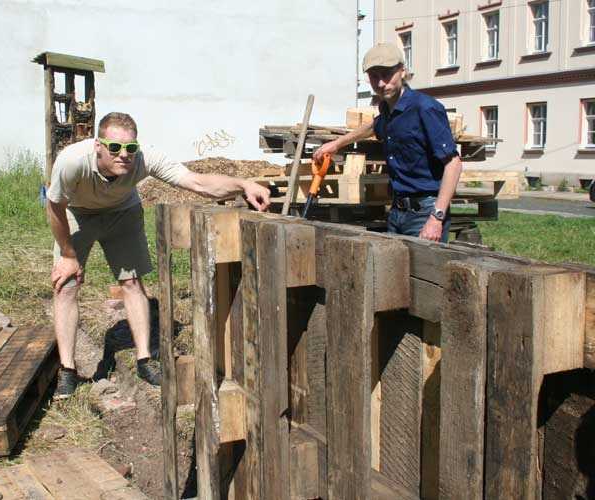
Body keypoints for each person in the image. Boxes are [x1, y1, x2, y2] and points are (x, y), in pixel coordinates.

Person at [46, 112, 270, 399]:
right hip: (76, 212)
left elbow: (198, 183)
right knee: (66, 284)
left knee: (132, 282)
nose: (123, 154)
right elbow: (54, 207)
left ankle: (144, 360)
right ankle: (67, 370)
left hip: (122, 211)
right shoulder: (72, 161)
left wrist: (244, 185)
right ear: (98, 146)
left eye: (130, 147)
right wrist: (68, 254)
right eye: (114, 147)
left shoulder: (145, 158)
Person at [313, 42, 462, 242]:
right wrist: (336, 144)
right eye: (375, 77)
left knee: (424, 272)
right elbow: (375, 126)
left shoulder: (425, 109)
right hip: (397, 211)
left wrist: (436, 217)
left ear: (402, 71)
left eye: (387, 74)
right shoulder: (388, 110)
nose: (382, 83)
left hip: (425, 212)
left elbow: (453, 164)